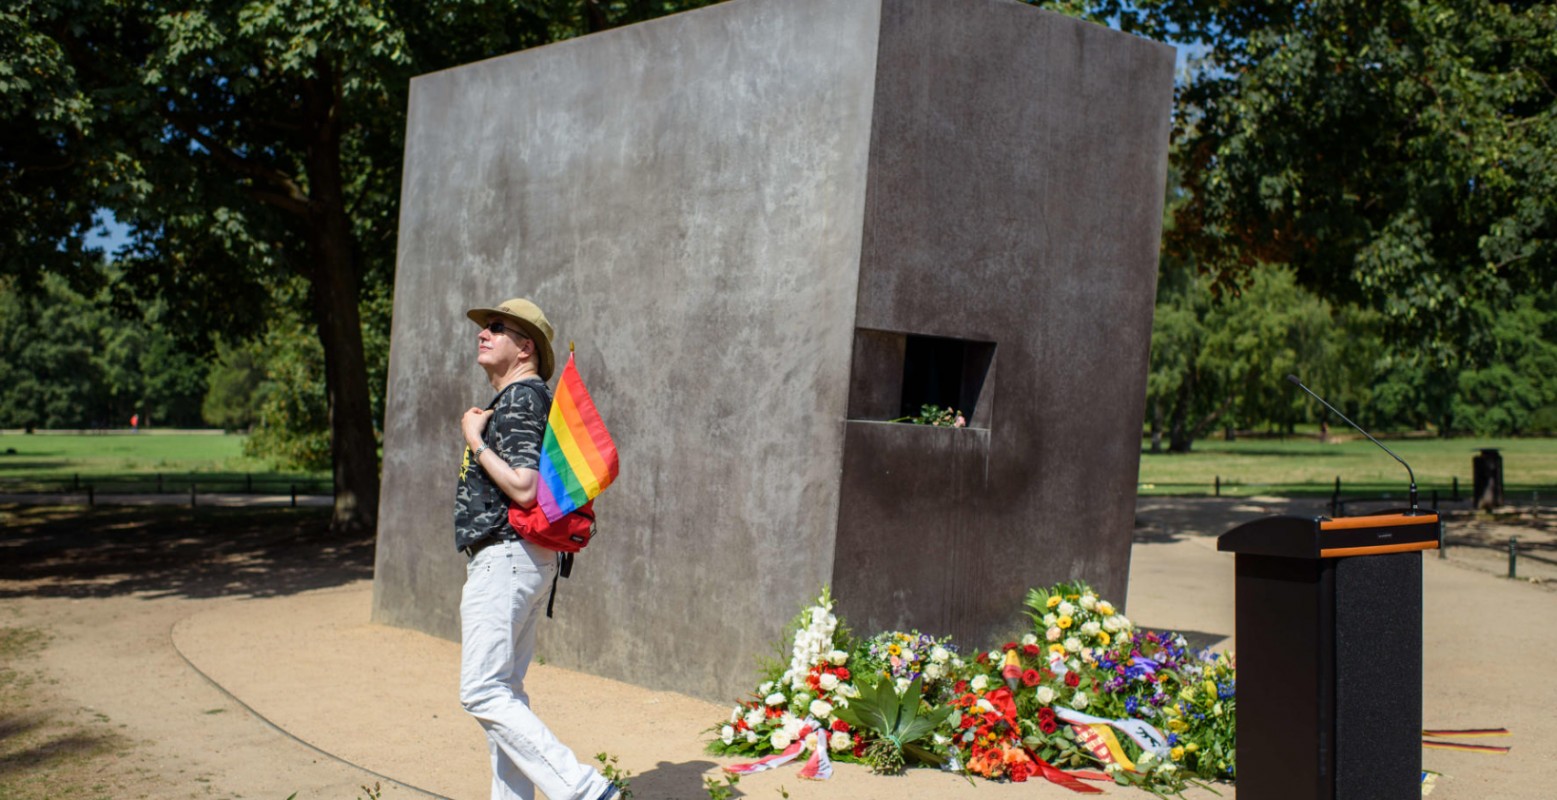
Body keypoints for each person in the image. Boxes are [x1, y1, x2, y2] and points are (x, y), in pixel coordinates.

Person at [455, 297, 618, 800]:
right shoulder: (518, 399)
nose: (483, 333)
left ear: (525, 347)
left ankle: (586, 790)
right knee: (504, 692)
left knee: (482, 690)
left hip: (506, 556)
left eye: (497, 327)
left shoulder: (522, 398)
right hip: (517, 559)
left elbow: (524, 487)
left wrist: (474, 440)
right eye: (485, 327)